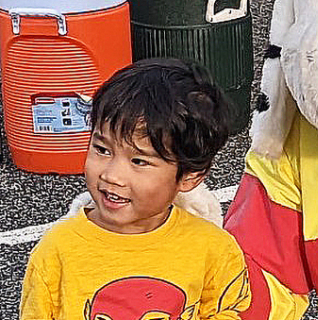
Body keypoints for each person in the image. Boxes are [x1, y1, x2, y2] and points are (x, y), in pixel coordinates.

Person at [20, 58, 250, 319]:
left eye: (139, 160)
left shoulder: (214, 249)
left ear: (189, 175)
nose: (112, 175)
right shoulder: (57, 250)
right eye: (102, 149)